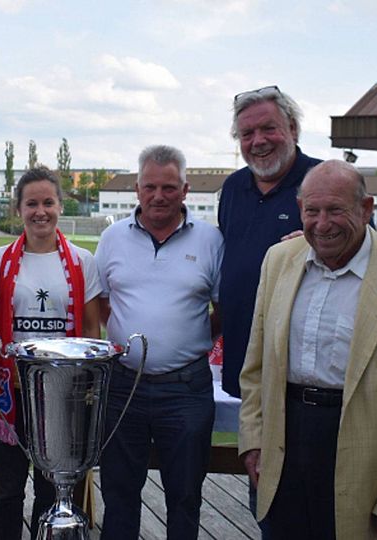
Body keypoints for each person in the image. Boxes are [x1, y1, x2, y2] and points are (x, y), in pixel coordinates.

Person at [238, 160, 377, 539]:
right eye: (312, 211)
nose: (322, 224)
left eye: (335, 210)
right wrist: (252, 441)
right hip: (284, 446)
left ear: (366, 209)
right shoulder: (278, 261)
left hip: (367, 461)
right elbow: (256, 366)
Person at [95, 145, 223, 539]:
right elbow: (101, 303)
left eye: (169, 187)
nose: (158, 196)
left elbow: (223, 309)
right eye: (150, 187)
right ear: (137, 188)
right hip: (123, 386)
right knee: (118, 493)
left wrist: (187, 340)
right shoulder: (113, 237)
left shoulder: (211, 239)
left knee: (184, 495)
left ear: (185, 190)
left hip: (185, 388)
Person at [0, 166, 102, 540]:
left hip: (61, 396)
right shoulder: (1, 260)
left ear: (60, 206)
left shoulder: (82, 260)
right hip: (11, 394)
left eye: (48, 202)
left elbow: (91, 332)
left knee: (53, 492)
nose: (40, 211)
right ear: (18, 209)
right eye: (31, 204)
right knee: (7, 491)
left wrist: (88, 394)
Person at [217, 85, 320, 400]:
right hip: (242, 356)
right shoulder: (233, 188)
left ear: (293, 129)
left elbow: (367, 253)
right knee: (246, 430)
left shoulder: (325, 180)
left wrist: (323, 247)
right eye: (247, 134)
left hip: (303, 367)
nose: (258, 141)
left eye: (268, 129)